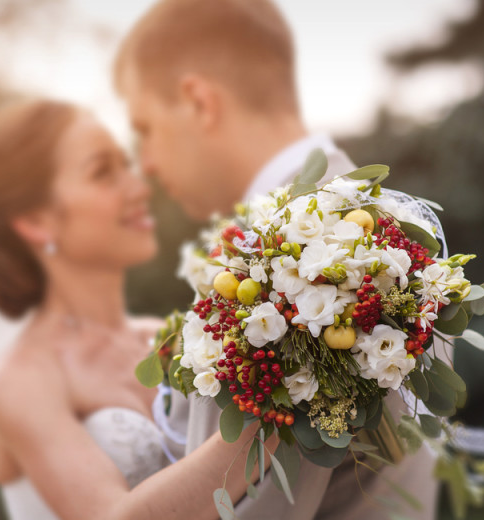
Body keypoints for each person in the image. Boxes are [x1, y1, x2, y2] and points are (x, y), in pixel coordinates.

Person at [114, 0, 445, 518]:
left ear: (198, 101)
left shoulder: (284, 268)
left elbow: (235, 505)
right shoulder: (391, 233)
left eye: (145, 128)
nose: (148, 163)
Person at [0, 99, 277, 520]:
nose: (139, 188)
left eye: (126, 165)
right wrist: (278, 408)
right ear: (36, 221)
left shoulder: (176, 335)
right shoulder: (21, 379)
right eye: (102, 172)